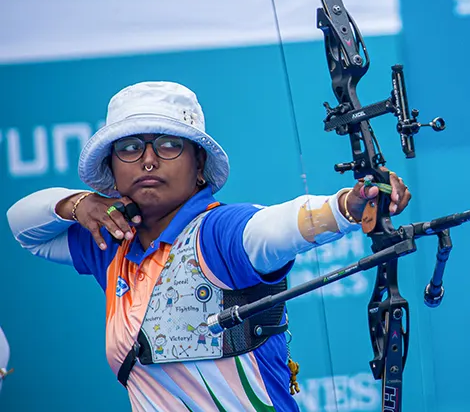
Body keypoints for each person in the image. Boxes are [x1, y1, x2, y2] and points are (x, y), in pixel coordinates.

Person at [6, 81, 411, 412]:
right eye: (130, 148)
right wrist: (77, 204)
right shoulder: (112, 243)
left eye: (168, 145)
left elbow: (273, 227)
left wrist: (346, 206)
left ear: (198, 164)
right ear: (111, 168)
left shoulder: (218, 233)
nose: (148, 160)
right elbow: (23, 226)